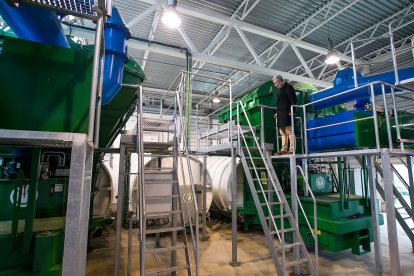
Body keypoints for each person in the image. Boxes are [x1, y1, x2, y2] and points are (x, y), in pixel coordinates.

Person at [272, 75, 297, 154]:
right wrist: (277, 113)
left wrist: (291, 111)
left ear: (279, 81)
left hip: (287, 113)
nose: (275, 85)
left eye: (275, 83)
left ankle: (292, 149)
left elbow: (293, 100)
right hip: (281, 114)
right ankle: (283, 149)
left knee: (289, 131)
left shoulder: (288, 87)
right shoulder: (281, 89)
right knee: (282, 132)